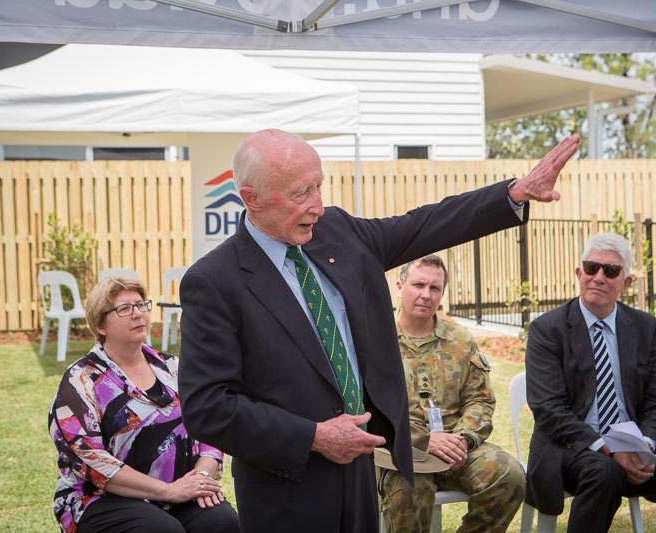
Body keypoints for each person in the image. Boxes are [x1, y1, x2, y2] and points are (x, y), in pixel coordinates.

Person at [178, 128, 579, 533]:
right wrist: (314, 436)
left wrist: (512, 194)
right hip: (287, 488)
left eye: (319, 186)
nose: (318, 205)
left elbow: (424, 225)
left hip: (360, 469)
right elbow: (208, 406)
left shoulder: (336, 232)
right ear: (252, 199)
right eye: (301, 193)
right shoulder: (214, 282)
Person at [524, 232, 656, 533]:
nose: (599, 277)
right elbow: (548, 409)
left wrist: (644, 447)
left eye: (610, 271)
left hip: (633, 445)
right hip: (569, 447)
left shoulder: (645, 328)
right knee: (604, 471)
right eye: (591, 267)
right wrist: (609, 449)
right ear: (579, 273)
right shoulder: (548, 329)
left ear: (626, 283)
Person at [48, 277, 240, 533]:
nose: (137, 314)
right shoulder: (80, 380)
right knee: (161, 530)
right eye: (124, 309)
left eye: (141, 305)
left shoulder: (174, 368)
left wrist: (201, 478)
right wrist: (169, 491)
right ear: (100, 325)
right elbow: (92, 461)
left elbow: (210, 423)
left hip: (182, 489)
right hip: (102, 498)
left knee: (223, 523)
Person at [378, 255, 526, 533]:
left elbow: (480, 399)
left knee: (509, 474)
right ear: (399, 287)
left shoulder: (459, 339)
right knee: (411, 489)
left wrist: (463, 439)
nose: (426, 294)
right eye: (418, 284)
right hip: (401, 452)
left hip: (457, 449)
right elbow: (370, 411)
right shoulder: (376, 341)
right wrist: (425, 441)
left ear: (442, 294)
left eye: (435, 288)